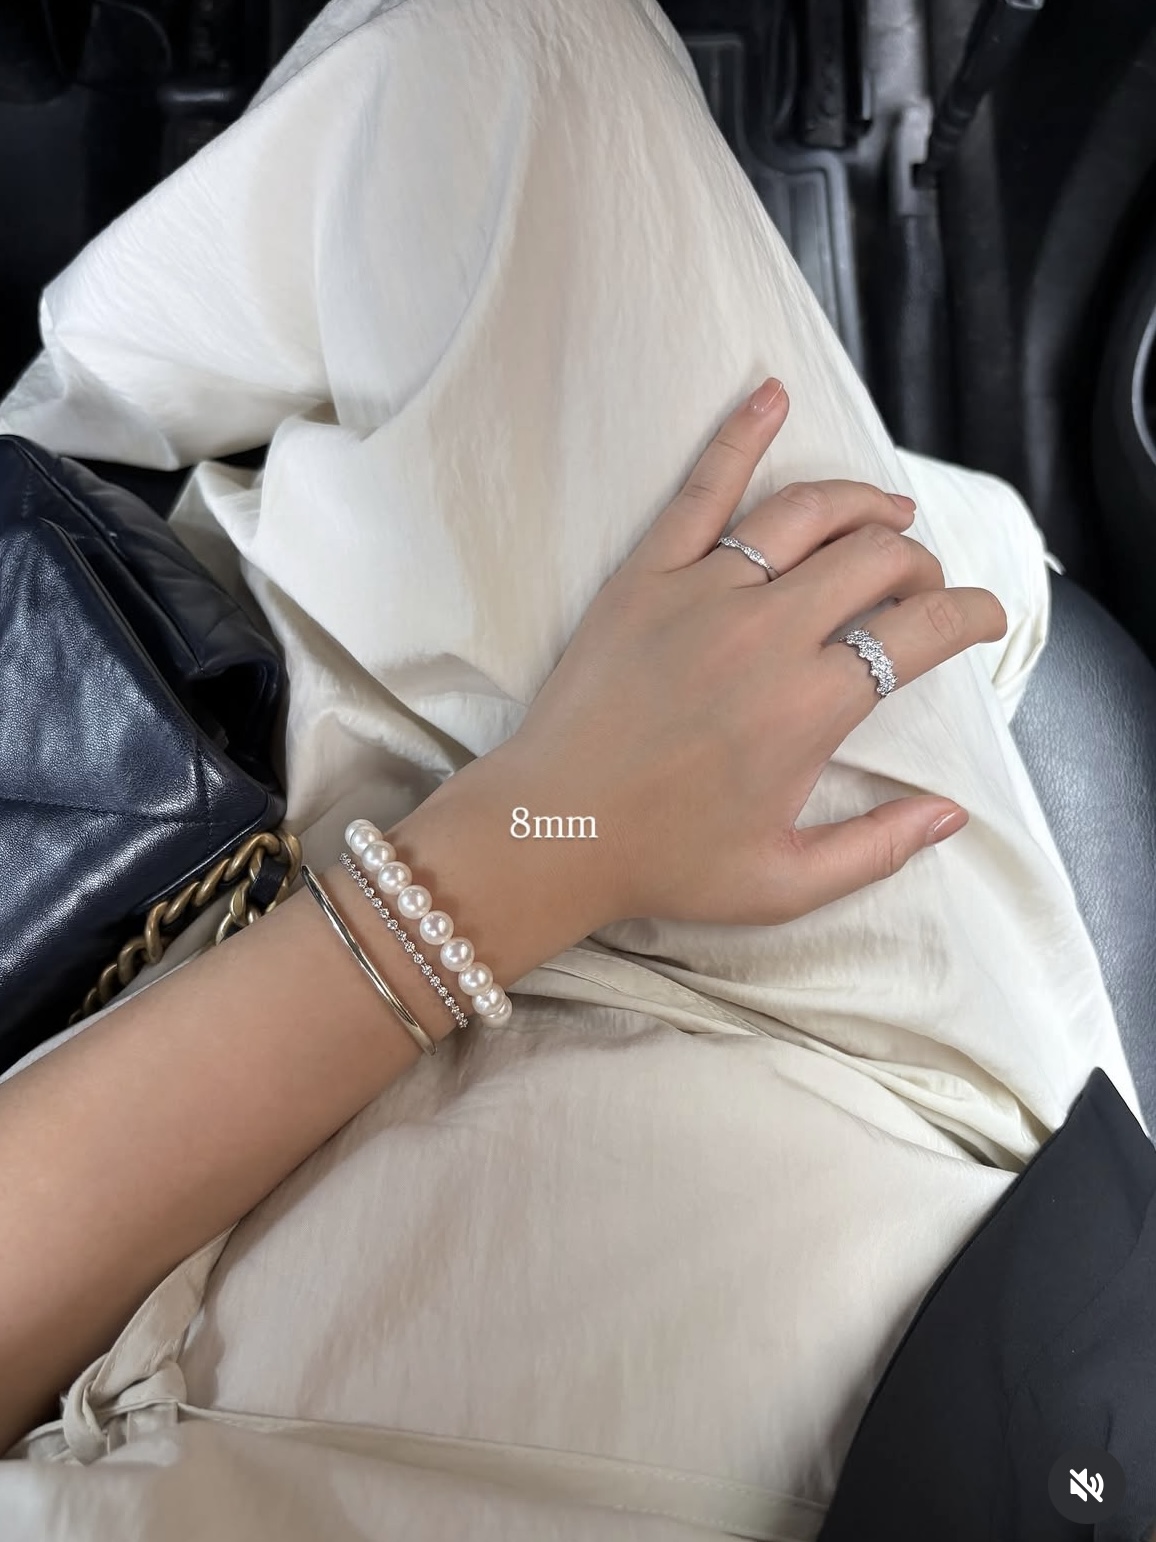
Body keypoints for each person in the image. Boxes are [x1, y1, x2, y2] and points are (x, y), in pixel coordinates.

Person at [0, 0, 1143, 1535]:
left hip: (328, 1392)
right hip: (989, 1238)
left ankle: (88, 456)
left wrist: (545, 834)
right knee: (513, 66)